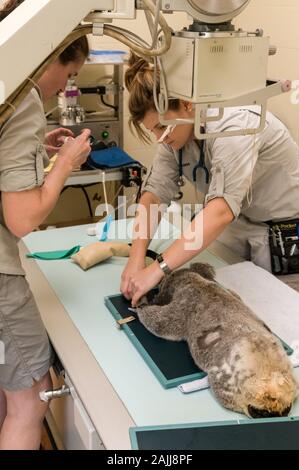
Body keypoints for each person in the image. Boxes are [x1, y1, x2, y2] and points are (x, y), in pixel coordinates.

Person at [121, 53, 299, 307]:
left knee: (282, 316)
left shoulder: (236, 122)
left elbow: (220, 211)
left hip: (283, 232)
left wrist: (157, 269)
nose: (160, 138)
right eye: (153, 131)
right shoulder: (178, 133)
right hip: (238, 227)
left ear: (186, 105)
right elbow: (154, 195)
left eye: (162, 128)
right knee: (229, 306)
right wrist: (136, 258)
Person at [0, 2, 91, 450]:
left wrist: (39, 148)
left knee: (7, 385)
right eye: (70, 75)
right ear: (50, 53)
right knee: (32, 400)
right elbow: (22, 218)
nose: (64, 87)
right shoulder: (22, 96)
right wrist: (65, 165)